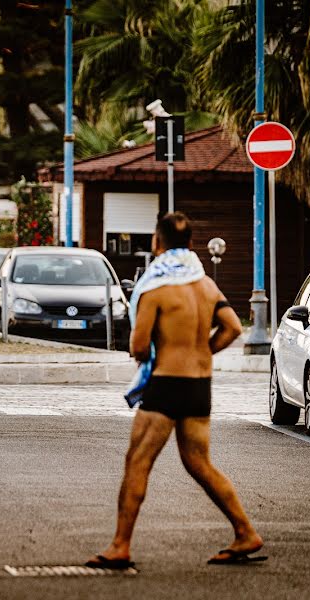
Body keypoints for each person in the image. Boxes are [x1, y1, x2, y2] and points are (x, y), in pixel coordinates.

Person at [86, 212, 263, 570]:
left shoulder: (155, 288)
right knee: (199, 462)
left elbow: (138, 344)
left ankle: (121, 546)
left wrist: (157, 355)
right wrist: (202, 352)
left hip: (167, 382)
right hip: (199, 385)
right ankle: (245, 532)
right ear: (192, 244)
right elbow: (232, 328)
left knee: (137, 462)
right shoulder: (206, 286)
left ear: (156, 242)